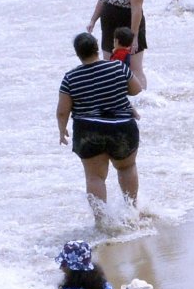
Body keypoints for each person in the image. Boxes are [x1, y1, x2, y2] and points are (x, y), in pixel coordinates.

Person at [56, 31, 144, 221]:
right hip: (122, 127)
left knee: (95, 177)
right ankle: (132, 211)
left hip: (89, 131)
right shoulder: (117, 67)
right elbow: (136, 89)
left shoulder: (70, 78)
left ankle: (103, 222)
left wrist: (62, 130)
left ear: (78, 53)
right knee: (126, 168)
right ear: (97, 47)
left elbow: (63, 111)